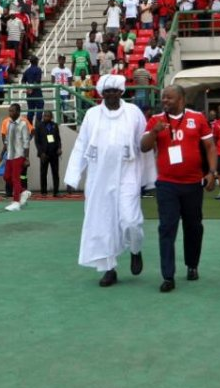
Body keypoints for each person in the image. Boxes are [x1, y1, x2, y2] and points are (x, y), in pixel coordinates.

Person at [65, 75, 148, 287]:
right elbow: (81, 146)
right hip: (99, 176)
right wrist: (73, 176)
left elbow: (144, 145)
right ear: (102, 93)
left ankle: (135, 249)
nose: (111, 94)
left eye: (115, 90)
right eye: (107, 91)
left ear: (122, 92)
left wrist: (149, 178)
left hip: (128, 173)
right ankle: (109, 269)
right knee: (102, 222)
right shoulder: (92, 115)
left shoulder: (134, 113)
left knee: (131, 220)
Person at [140, 85, 218, 293]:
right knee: (167, 229)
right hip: (167, 185)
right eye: (163, 98)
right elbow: (144, 147)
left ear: (181, 100)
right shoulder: (156, 119)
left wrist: (212, 172)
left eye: (169, 98)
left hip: (193, 184)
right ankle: (168, 276)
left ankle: (192, 264)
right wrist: (155, 132)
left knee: (194, 227)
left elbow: (210, 146)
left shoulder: (197, 118)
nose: (165, 101)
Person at [1, 103, 31, 211]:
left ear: (18, 112)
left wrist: (27, 158)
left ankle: (16, 202)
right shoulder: (8, 123)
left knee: (15, 178)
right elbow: (7, 140)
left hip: (19, 155)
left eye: (12, 111)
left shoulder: (23, 124)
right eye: (9, 111)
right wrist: (2, 153)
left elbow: (26, 142)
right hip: (9, 155)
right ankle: (23, 192)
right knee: (6, 177)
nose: (10, 113)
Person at [35, 111, 62, 197]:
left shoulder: (55, 125)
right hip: (44, 154)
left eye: (48, 116)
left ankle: (56, 191)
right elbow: (37, 141)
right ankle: (43, 191)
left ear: (51, 117)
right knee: (43, 173)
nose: (46, 117)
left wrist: (59, 148)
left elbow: (58, 138)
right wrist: (41, 152)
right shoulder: (39, 126)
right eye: (44, 116)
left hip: (54, 153)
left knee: (55, 173)